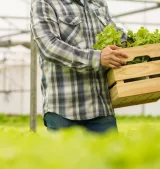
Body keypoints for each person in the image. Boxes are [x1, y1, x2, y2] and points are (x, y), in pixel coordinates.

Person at [30, 0, 128, 133]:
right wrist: (97, 58)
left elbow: (116, 35)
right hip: (63, 110)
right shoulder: (45, 3)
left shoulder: (98, 3)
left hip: (101, 108)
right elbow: (49, 47)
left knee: (110, 154)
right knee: (65, 154)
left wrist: (146, 44)